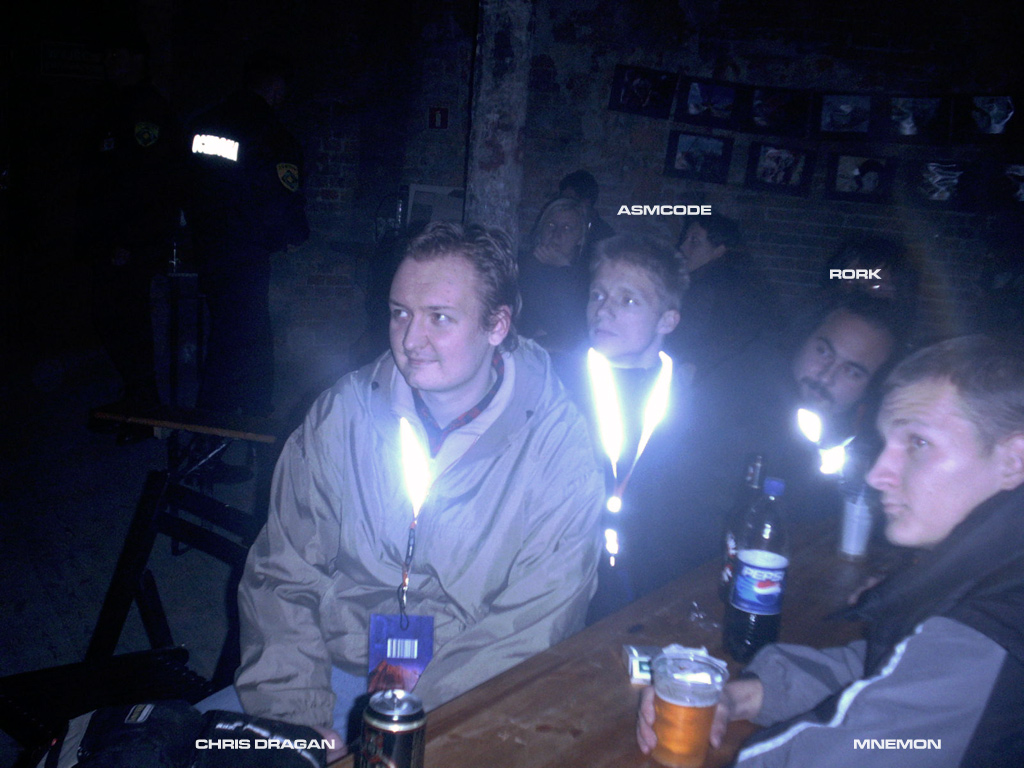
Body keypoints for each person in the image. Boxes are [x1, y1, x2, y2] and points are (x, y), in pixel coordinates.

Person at [214, 222, 603, 757]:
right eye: (400, 313)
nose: (410, 340)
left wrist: (408, 731)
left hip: (467, 686)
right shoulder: (343, 413)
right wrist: (297, 721)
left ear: (497, 325)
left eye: (439, 317)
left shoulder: (559, 447)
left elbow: (535, 625)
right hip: (328, 666)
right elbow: (282, 573)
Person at [637, 334, 1024, 766]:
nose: (878, 474)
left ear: (1014, 459)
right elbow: (888, 665)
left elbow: (870, 748)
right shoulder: (989, 578)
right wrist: (741, 696)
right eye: (886, 444)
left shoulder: (990, 627)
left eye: (918, 442)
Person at [556, 233, 717, 623]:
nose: (603, 310)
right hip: (563, 583)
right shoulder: (555, 386)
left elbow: (695, 518)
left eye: (628, 300)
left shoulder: (695, 404)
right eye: (597, 295)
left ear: (667, 319)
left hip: (652, 593)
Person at [693, 293, 900, 521]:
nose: (826, 376)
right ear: (802, 338)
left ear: (871, 389)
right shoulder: (737, 392)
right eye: (823, 351)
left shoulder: (863, 438)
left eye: (851, 372)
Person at [186, 50, 309, 418]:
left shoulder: (204, 124)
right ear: (275, 87)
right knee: (239, 336)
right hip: (246, 250)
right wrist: (291, 233)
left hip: (209, 244)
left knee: (235, 329)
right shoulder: (268, 131)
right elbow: (279, 192)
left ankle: (249, 408)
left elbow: (189, 182)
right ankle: (217, 425)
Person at [78, 31, 183, 442]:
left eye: (117, 54)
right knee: (112, 320)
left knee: (130, 323)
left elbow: (150, 183)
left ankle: (145, 410)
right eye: (107, 55)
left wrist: (130, 241)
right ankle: (136, 400)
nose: (110, 62)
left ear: (138, 60)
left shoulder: (146, 109)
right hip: (107, 238)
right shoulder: (111, 105)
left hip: (130, 243)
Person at [668, 213, 780, 381]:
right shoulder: (739, 283)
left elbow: (682, 342)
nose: (683, 247)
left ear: (719, 250)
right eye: (685, 239)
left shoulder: (707, 288)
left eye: (695, 241)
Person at [517, 196, 592, 356]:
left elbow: (576, 329)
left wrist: (564, 269)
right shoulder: (522, 266)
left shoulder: (586, 276)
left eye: (567, 228)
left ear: (579, 238)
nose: (556, 234)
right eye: (551, 225)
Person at [558, 169, 615, 258]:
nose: (563, 204)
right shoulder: (555, 225)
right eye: (562, 199)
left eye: (569, 200)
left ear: (586, 202)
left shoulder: (604, 236)